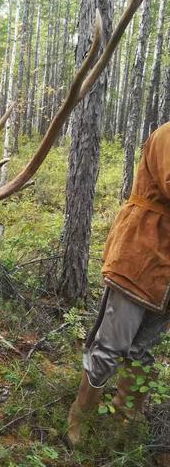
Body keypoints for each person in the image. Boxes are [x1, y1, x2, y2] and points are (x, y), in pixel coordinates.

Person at [67, 122, 170, 446]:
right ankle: (79, 420)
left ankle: (128, 418)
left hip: (165, 271)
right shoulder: (168, 134)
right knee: (110, 347)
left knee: (143, 349)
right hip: (140, 252)